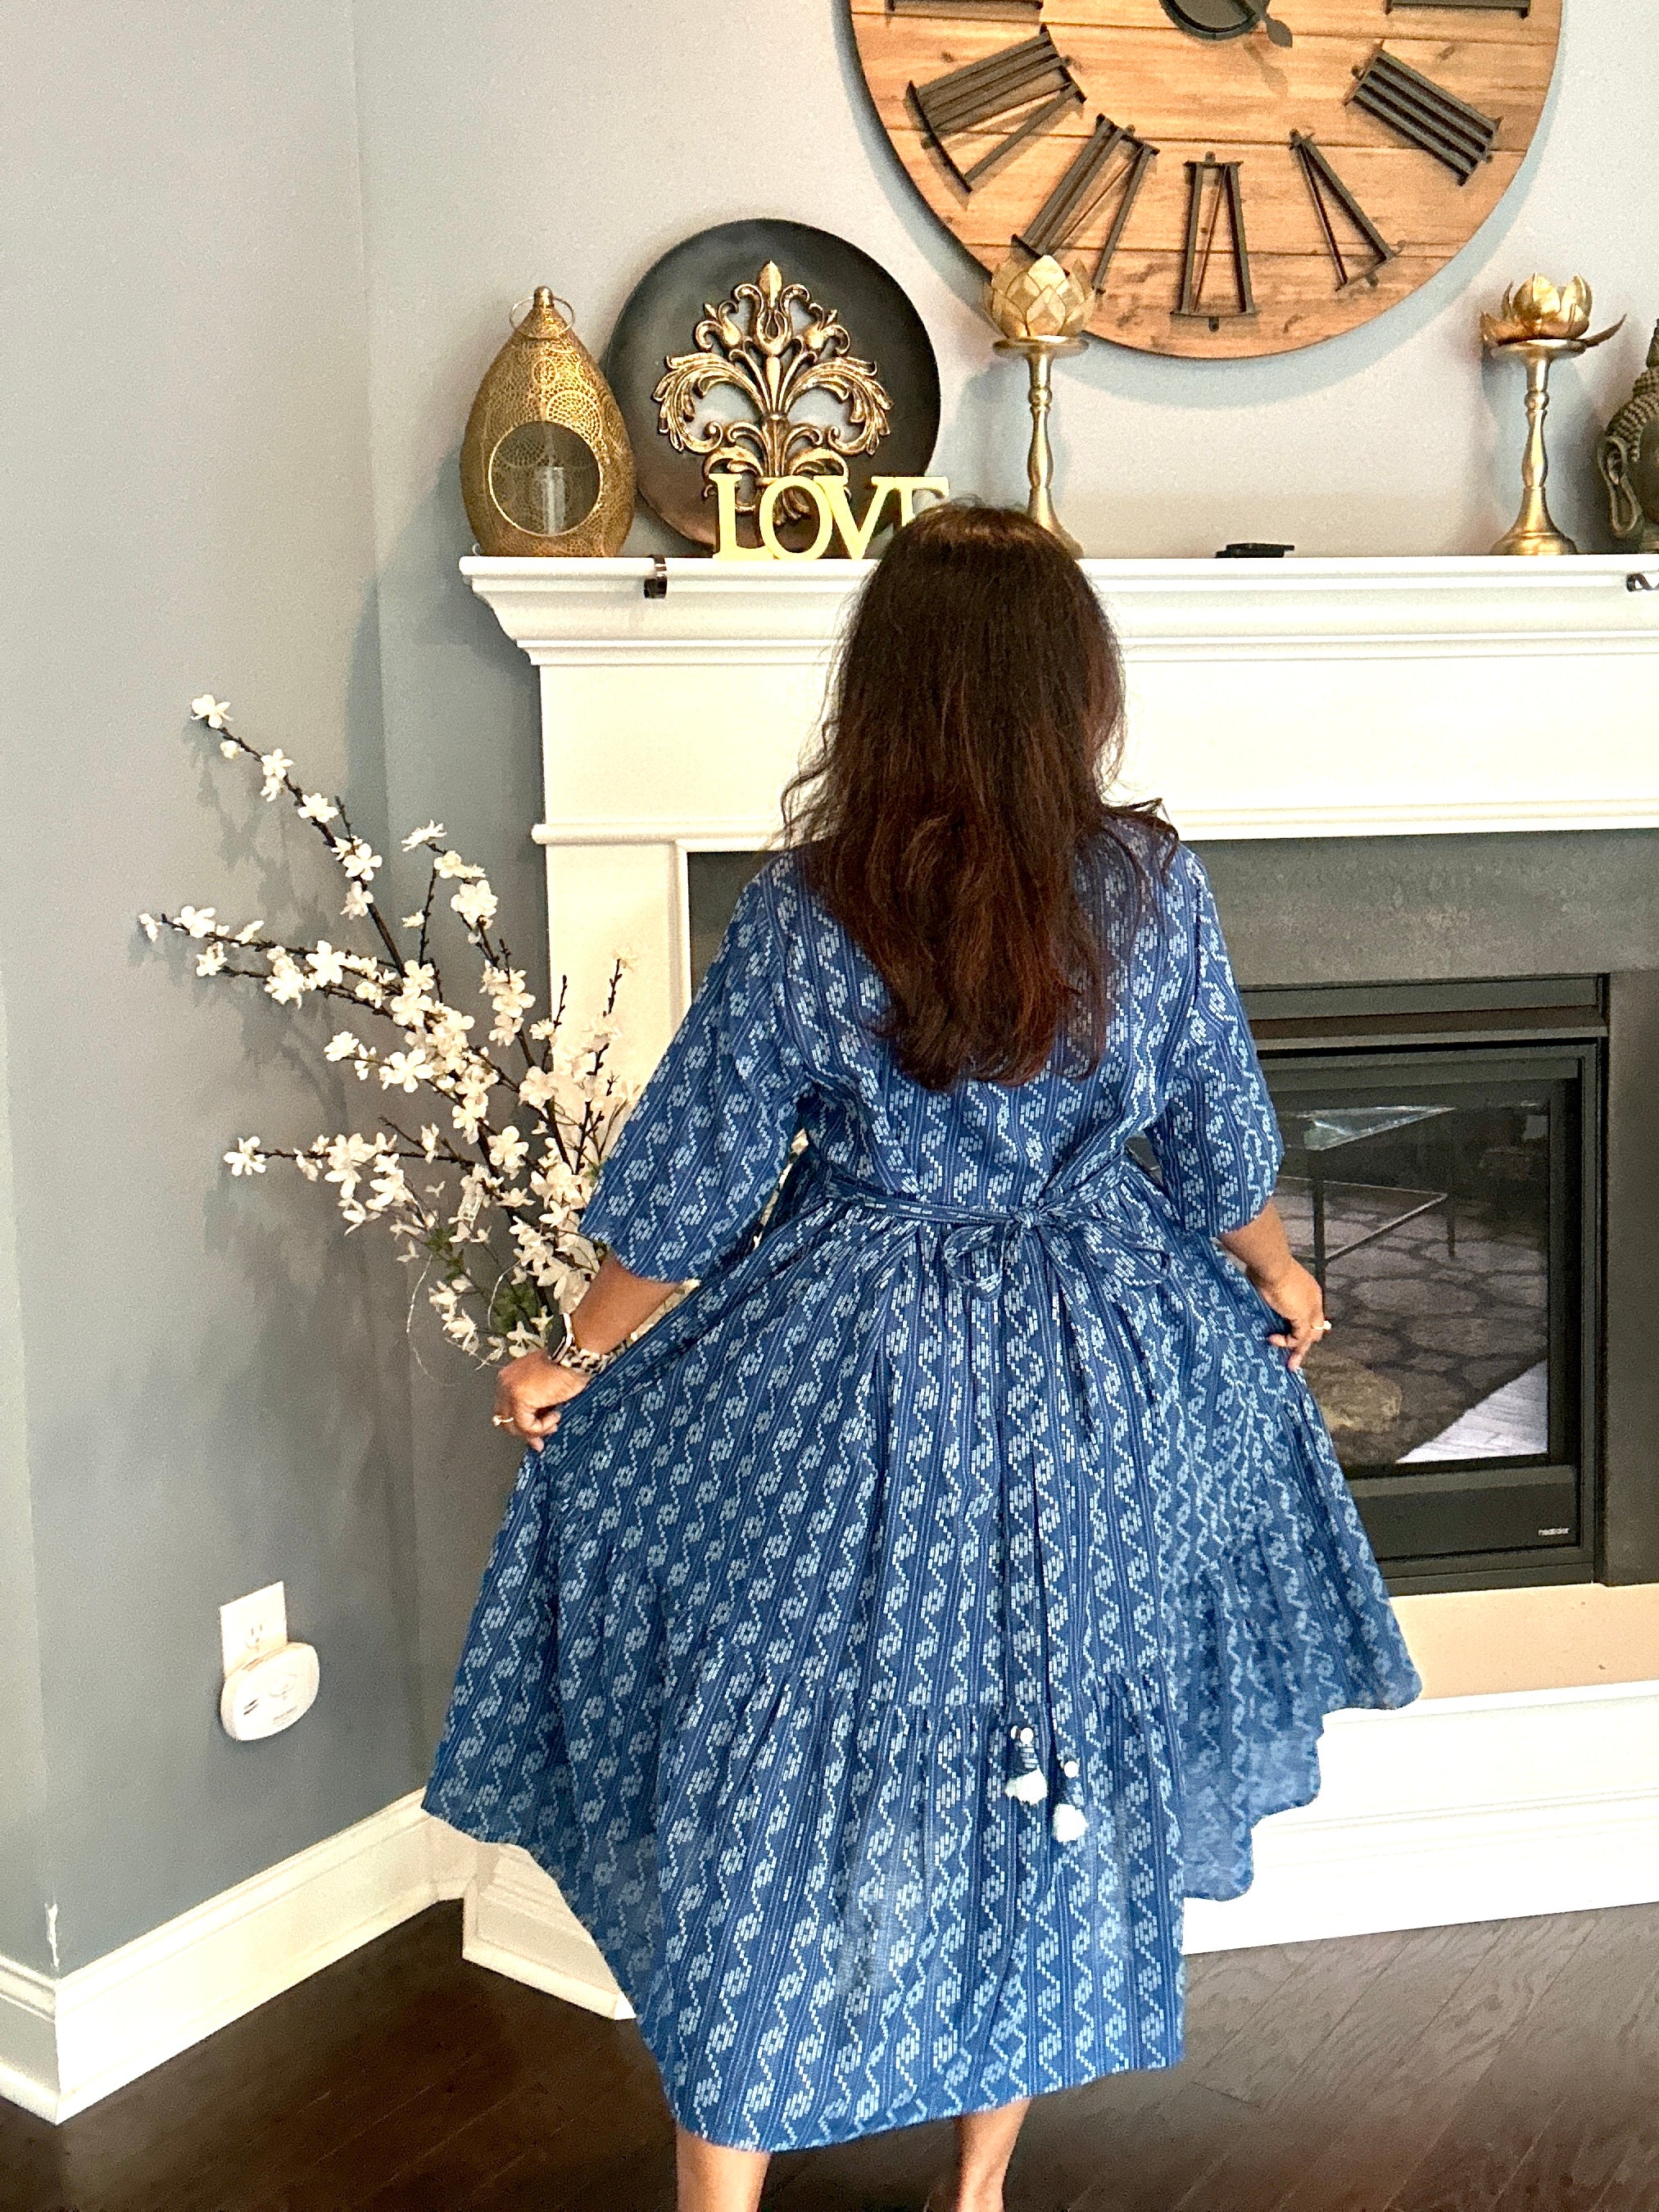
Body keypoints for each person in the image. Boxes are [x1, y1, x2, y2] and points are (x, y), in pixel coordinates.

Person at [424, 503, 1422, 2212]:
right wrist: (1273, 1271)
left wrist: (568, 1360)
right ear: (1071, 691)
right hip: (1096, 1353)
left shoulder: (818, 905)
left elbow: (689, 1185)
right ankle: (976, 2194)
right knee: (1046, 1742)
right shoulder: (1149, 888)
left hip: (849, 1360)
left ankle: (724, 2190)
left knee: (778, 1766)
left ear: (885, 691)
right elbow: (1214, 1134)